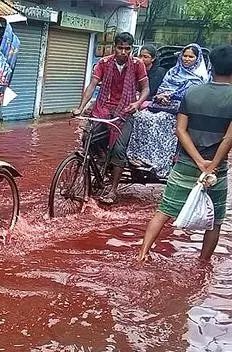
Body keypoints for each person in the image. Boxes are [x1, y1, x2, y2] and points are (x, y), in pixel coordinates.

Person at [138, 44, 232, 262]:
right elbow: (228, 138)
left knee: (164, 210)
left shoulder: (193, 92)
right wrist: (211, 165)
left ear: (211, 65)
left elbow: (180, 130)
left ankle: (142, 254)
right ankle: (203, 264)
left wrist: (198, 161)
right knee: (216, 219)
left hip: (186, 163)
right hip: (216, 168)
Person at [73, 32, 149, 204]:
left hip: (125, 111)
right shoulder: (104, 63)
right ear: (114, 47)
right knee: (87, 138)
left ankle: (113, 190)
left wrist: (137, 103)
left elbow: (146, 89)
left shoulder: (138, 64)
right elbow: (92, 84)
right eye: (120, 48)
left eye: (127, 49)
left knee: (119, 149)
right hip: (103, 108)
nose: (123, 52)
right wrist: (80, 107)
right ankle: (101, 163)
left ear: (131, 49)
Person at [126, 44, 210, 178]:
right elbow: (161, 88)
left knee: (158, 120)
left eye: (191, 57)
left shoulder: (201, 77)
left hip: (183, 111)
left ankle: (158, 161)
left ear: (197, 59)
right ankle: (139, 157)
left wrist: (173, 97)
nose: (187, 59)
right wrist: (161, 96)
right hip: (161, 105)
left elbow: (195, 96)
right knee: (141, 117)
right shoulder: (172, 72)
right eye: (185, 55)